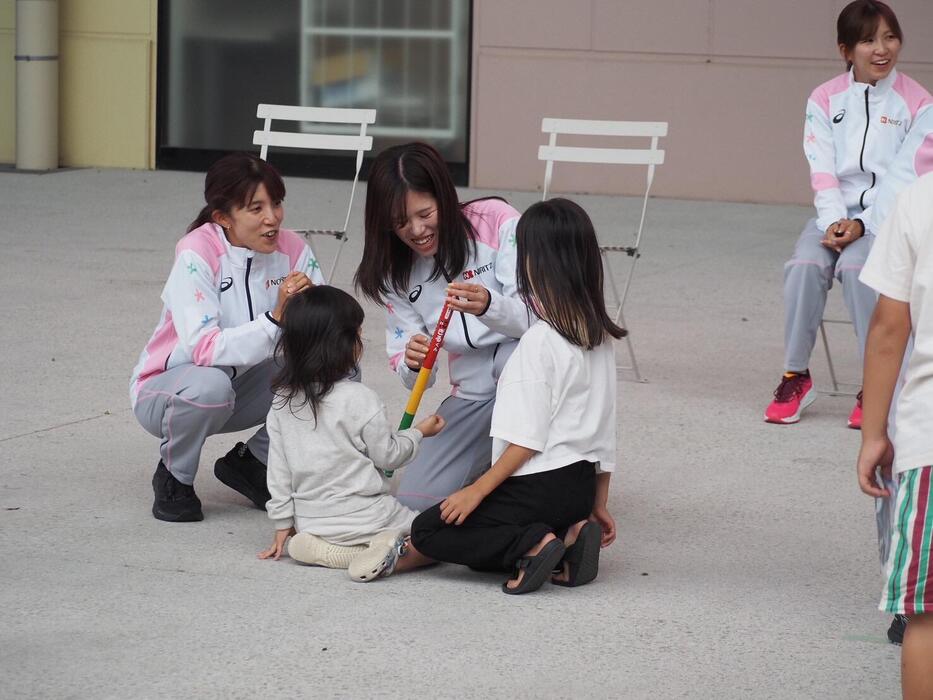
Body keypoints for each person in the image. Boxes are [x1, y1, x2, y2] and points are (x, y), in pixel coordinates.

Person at [378, 198, 619, 595]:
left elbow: (526, 441)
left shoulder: (538, 340)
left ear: (534, 264)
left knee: (428, 530)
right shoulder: (598, 336)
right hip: (580, 488)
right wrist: (598, 502)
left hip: (539, 485)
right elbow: (606, 431)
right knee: (480, 526)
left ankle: (533, 544)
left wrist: (476, 491)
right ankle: (572, 534)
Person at [764, 0, 932, 427]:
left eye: (890, 37)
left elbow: (905, 177)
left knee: (860, 270)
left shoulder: (920, 104)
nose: (882, 49)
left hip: (887, 220)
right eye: (868, 40)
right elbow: (821, 167)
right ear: (846, 50)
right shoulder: (824, 98)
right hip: (832, 217)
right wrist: (834, 222)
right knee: (803, 266)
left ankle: (875, 384)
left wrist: (862, 224)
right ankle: (795, 375)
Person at [130, 152, 321, 522]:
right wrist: (277, 318)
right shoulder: (197, 252)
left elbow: (325, 335)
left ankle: (253, 463)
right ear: (223, 218)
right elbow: (204, 348)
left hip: (246, 389)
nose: (273, 218)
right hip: (171, 392)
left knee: (332, 368)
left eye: (276, 203)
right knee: (210, 386)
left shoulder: (294, 248)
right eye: (256, 208)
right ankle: (174, 476)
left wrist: (318, 315)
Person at [354, 142, 532, 510]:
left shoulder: (497, 221)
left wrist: (490, 306)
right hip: (472, 394)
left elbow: (537, 318)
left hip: (525, 376)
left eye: (425, 213)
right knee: (416, 501)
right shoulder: (394, 271)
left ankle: (523, 471)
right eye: (401, 222)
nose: (417, 230)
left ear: (445, 198)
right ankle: (493, 465)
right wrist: (413, 362)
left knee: (509, 364)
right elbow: (411, 374)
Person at [256, 286, 443, 579]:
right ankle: (385, 547)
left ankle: (324, 549)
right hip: (370, 516)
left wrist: (283, 524)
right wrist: (419, 432)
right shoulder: (360, 398)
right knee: (435, 536)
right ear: (341, 345)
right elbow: (389, 457)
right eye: (357, 333)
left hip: (312, 521)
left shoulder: (282, 401)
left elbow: (278, 472)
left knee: (311, 538)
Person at [856, 173, 933, 699]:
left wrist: (873, 433)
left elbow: (888, 327)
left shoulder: (920, 198)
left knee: (926, 616)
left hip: (930, 439)